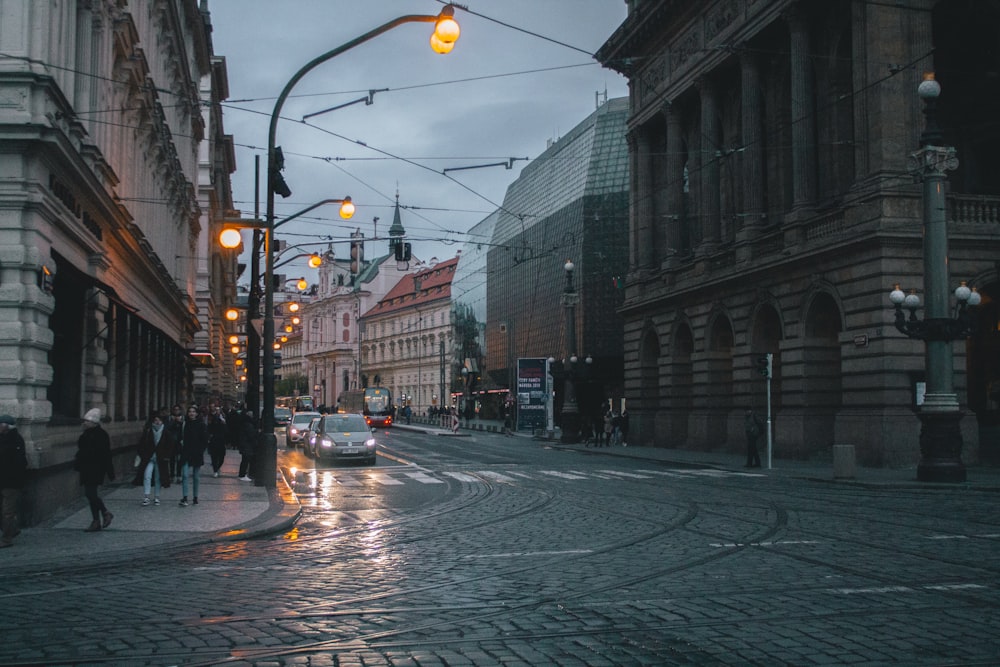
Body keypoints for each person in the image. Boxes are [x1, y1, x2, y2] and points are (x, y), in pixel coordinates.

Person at [75, 408, 115, 532]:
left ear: (94, 423)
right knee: (91, 494)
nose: (84, 423)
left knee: (90, 493)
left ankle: (105, 513)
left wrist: (110, 472)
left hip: (95, 469)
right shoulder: (86, 434)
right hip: (87, 468)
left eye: (86, 421)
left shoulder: (101, 435)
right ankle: (96, 521)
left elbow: (106, 454)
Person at [131, 413, 174, 506]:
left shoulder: (166, 432)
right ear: (153, 422)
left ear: (162, 422)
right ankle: (146, 496)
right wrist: (143, 455)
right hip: (149, 458)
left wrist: (166, 456)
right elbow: (141, 444)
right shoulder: (148, 431)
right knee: (147, 476)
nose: (157, 422)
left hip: (160, 459)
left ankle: (157, 497)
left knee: (158, 478)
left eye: (159, 420)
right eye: (155, 420)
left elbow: (170, 446)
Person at [0, 415, 28, 547]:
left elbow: (18, 463)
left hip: (11, 481)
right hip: (3, 480)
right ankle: (13, 529)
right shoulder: (2, 438)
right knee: (4, 511)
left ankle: (6, 539)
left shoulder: (16, 440)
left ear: (6, 426)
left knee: (7, 511)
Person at [178, 405, 208, 506]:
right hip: (186, 452)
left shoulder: (201, 424)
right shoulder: (184, 424)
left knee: (196, 477)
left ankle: (195, 497)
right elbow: (180, 437)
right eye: (190, 411)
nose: (191, 413)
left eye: (193, 412)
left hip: (197, 453)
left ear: (197, 413)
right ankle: (185, 497)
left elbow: (204, 440)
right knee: (185, 475)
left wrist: (201, 450)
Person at [207, 404, 229, 478]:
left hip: (221, 441)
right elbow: (209, 428)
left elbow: (226, 430)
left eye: (218, 410)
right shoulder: (212, 419)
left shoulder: (223, 419)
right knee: (214, 456)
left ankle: (217, 467)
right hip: (214, 440)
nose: (217, 411)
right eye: (215, 410)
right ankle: (215, 470)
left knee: (222, 457)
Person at [236, 409, 257, 482]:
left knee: (245, 460)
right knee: (245, 460)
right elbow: (251, 435)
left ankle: (242, 474)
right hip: (247, 445)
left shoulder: (244, 423)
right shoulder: (248, 424)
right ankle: (242, 475)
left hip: (245, 444)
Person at [165, 404, 185, 483]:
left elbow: (184, 429)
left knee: (180, 459)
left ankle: (179, 475)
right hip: (171, 442)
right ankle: (172, 475)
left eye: (178, 409)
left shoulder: (183, 418)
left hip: (180, 442)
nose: (176, 411)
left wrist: (180, 422)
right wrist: (173, 421)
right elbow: (167, 428)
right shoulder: (169, 418)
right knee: (172, 459)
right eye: (175, 409)